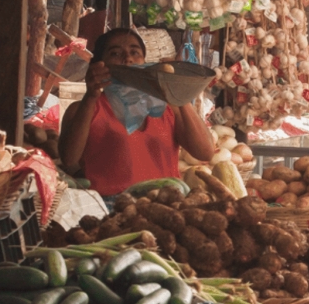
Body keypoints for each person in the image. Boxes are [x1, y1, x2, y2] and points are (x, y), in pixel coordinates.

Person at [60, 28, 217, 196]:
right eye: (115, 54)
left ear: (144, 61)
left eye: (135, 52)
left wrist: (176, 90)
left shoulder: (168, 107)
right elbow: (69, 159)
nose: (128, 59)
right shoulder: (85, 109)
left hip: (166, 205)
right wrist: (91, 96)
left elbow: (205, 152)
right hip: (112, 212)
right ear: (99, 64)